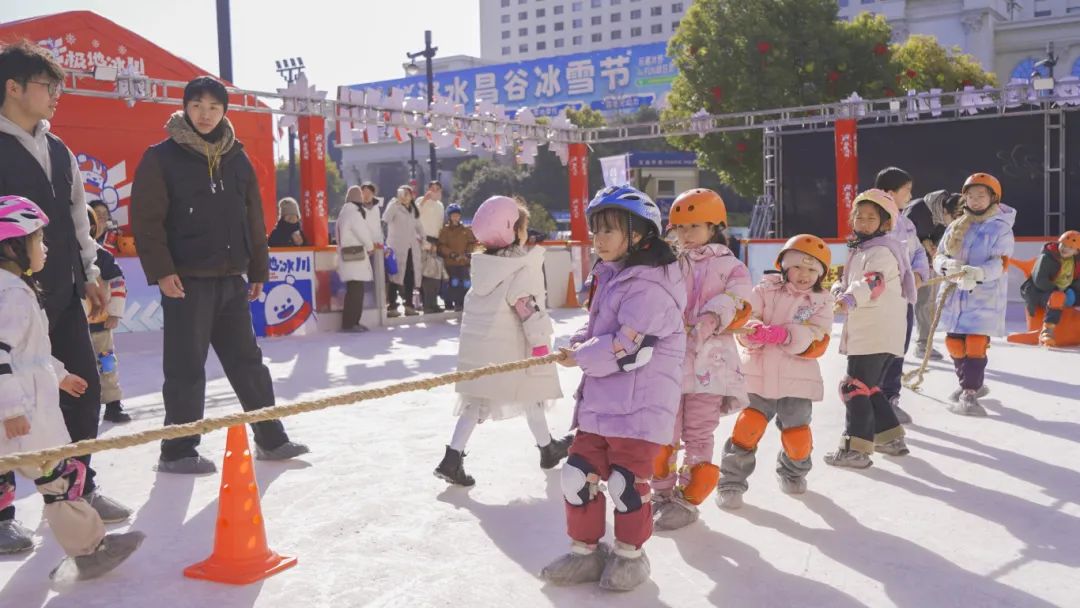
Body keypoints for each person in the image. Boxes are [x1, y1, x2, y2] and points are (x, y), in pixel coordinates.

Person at [130, 76, 308, 474]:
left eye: (213, 106)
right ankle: (178, 450)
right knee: (185, 365)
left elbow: (252, 218)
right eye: (197, 105)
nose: (205, 114)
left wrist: (257, 269)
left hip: (232, 278)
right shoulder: (162, 156)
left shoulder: (237, 157)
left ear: (225, 111)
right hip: (186, 280)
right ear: (185, 108)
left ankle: (270, 436)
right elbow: (146, 220)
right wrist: (162, 271)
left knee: (248, 361)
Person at [0, 41, 131, 546]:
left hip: (61, 289)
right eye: (47, 86)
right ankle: (2, 511)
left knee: (83, 389)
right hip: (6, 297)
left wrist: (91, 272)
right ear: (13, 88)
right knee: (4, 400)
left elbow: (80, 219)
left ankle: (78, 488)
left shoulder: (59, 148)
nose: (57, 96)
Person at [540, 185, 685, 592]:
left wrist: (582, 355)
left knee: (626, 484)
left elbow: (628, 348)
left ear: (638, 234)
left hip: (640, 408)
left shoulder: (652, 287)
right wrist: (574, 343)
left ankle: (629, 556)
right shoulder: (611, 276)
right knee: (576, 475)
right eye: (595, 230)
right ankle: (584, 552)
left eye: (609, 231)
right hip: (602, 402)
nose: (598, 240)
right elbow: (599, 332)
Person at [0, 195, 144, 579]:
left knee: (56, 478)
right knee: (59, 481)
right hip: (23, 416)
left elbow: (30, 352)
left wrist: (60, 374)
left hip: (27, 408)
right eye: (38, 241)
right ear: (14, 246)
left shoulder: (15, 289)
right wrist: (11, 409)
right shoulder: (9, 295)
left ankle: (89, 547)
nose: (44, 248)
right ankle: (90, 550)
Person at [433, 196, 569, 486]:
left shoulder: (484, 267)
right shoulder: (519, 269)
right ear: (512, 231)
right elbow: (528, 310)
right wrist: (542, 348)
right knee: (531, 392)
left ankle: (453, 457)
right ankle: (547, 448)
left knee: (475, 401)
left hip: (479, 349)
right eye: (523, 227)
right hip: (509, 349)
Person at [650, 188, 752, 530]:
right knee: (664, 429)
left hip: (712, 363)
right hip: (670, 362)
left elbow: (740, 297)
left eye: (694, 226)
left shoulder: (730, 265)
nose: (685, 234)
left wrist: (711, 316)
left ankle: (688, 498)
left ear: (715, 226)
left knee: (698, 432)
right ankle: (660, 492)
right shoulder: (668, 262)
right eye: (679, 227)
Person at [717, 235, 833, 508]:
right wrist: (754, 330)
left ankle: (793, 472)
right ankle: (731, 482)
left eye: (812, 269)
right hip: (758, 376)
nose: (804, 275)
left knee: (798, 438)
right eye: (797, 267)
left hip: (797, 382)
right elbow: (746, 318)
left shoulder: (820, 301)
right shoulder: (764, 290)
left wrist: (789, 335)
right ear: (783, 266)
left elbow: (820, 335)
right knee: (748, 428)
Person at [827, 189, 916, 469]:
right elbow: (859, 281)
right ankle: (889, 438)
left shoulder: (880, 251)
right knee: (870, 386)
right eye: (859, 216)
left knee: (854, 387)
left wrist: (850, 298)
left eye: (871, 218)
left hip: (874, 330)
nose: (863, 222)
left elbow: (873, 282)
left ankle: (856, 448)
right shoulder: (865, 248)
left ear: (885, 222)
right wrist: (840, 290)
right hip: (880, 330)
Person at [933, 173, 1016, 414]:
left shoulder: (1001, 228)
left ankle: (970, 392)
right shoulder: (956, 225)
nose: (975, 200)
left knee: (975, 343)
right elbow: (939, 256)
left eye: (981, 196)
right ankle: (969, 383)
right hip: (953, 296)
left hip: (984, 298)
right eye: (970, 196)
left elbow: (1001, 263)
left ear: (993, 198)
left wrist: (978, 273)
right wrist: (945, 266)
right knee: (954, 343)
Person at [873, 167, 930, 425]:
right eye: (906, 191)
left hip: (904, 299)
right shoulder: (870, 221)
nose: (910, 196)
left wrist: (918, 274)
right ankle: (872, 400)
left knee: (899, 349)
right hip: (879, 302)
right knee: (879, 350)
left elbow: (918, 253)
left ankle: (890, 399)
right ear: (889, 192)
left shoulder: (906, 223)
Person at [904, 190, 963, 360]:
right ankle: (890, 350)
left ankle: (923, 344)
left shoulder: (950, 218)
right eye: (952, 219)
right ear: (945, 212)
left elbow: (943, 238)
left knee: (925, 302)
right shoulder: (916, 210)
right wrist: (923, 243)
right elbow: (903, 238)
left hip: (927, 263)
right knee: (901, 305)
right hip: (905, 264)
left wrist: (935, 249)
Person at [86, 203, 131, 423]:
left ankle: (113, 404)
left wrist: (114, 313)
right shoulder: (61, 256)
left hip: (100, 323)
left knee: (106, 364)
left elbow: (118, 282)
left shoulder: (101, 256)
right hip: (72, 326)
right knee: (78, 366)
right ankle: (81, 407)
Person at [1021, 230, 1080, 347]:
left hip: (1063, 291)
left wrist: (1072, 290)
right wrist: (1058, 290)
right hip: (1039, 292)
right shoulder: (1047, 257)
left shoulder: (1075, 262)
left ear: (1076, 251)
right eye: (1063, 244)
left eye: (1070, 248)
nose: (1065, 249)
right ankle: (1047, 331)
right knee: (1057, 297)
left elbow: (1076, 279)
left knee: (1066, 296)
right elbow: (1040, 280)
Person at [336, 186, 379, 333]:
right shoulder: (354, 214)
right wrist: (370, 246)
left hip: (347, 257)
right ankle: (352, 322)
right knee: (356, 292)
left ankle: (350, 322)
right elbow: (363, 233)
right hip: (355, 257)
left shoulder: (344, 212)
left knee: (352, 291)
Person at [382, 185, 423, 317]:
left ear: (412, 196)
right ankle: (392, 306)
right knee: (394, 276)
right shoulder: (394, 205)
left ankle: (409, 305)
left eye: (408, 194)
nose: (405, 197)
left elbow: (419, 226)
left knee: (409, 277)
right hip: (396, 247)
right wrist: (395, 203)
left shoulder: (413, 210)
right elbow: (386, 218)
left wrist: (423, 238)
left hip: (410, 247)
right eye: (403, 194)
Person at [436, 203, 477, 312]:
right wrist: (452, 254)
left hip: (463, 261)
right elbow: (441, 246)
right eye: (453, 215)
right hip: (451, 262)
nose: (455, 217)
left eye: (457, 215)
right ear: (449, 216)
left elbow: (472, 243)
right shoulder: (445, 231)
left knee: (466, 282)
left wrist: (467, 254)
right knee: (454, 282)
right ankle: (455, 303)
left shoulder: (466, 230)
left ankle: (466, 303)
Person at [417, 181, 446, 313]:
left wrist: (438, 243)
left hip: (435, 242)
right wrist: (424, 200)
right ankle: (427, 304)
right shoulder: (420, 201)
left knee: (435, 275)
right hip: (423, 241)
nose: (434, 191)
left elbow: (440, 225)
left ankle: (432, 302)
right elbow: (414, 215)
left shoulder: (440, 205)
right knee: (426, 275)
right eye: (432, 188)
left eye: (437, 189)